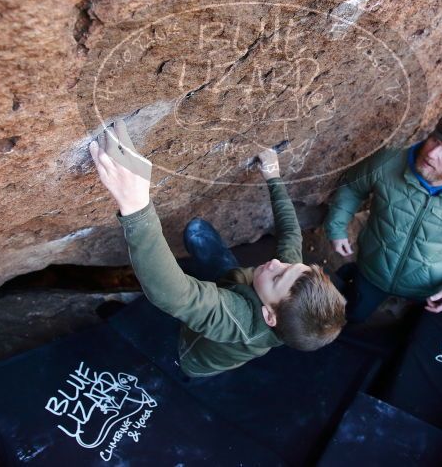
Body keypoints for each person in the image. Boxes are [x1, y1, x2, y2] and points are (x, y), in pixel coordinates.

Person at [89, 122, 347, 378]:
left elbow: (174, 294)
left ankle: (121, 324)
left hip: (188, 351)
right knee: (199, 234)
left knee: (152, 322)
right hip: (242, 288)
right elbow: (291, 233)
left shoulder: (240, 321)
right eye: (291, 266)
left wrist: (136, 206)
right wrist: (273, 176)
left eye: (278, 275)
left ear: (269, 315)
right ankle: (223, 277)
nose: (276, 264)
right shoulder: (290, 283)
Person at [324, 110, 442, 323]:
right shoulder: (388, 161)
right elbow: (353, 187)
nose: (432, 153)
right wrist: (336, 227)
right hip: (372, 271)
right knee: (350, 318)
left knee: (407, 331)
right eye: (435, 140)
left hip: (429, 288)